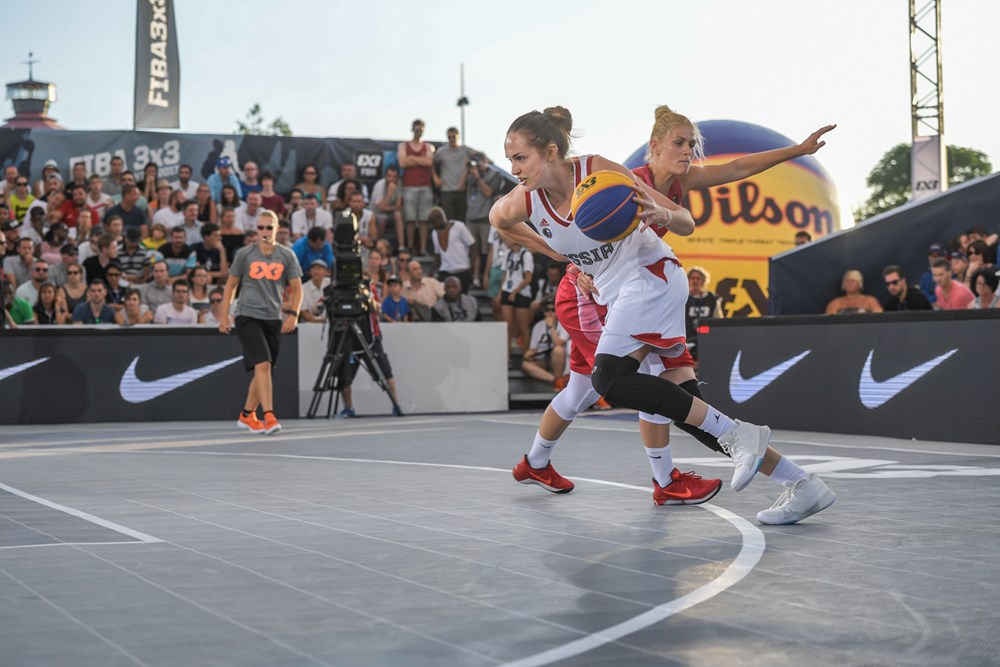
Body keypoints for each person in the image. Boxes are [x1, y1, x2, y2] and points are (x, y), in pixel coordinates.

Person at [491, 106, 835, 524]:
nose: (513, 168)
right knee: (688, 408)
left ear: (549, 153)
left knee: (608, 380)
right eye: (510, 159)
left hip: (651, 278)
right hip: (619, 295)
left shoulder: (601, 173)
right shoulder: (523, 202)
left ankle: (718, 449)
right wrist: (561, 255)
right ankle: (800, 483)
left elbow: (687, 220)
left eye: (520, 158)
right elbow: (498, 221)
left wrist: (664, 214)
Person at [219, 209, 303, 435]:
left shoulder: (287, 256)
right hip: (247, 315)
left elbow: (297, 288)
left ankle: (247, 415)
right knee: (263, 364)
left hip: (273, 318)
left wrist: (293, 314)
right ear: (256, 229)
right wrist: (224, 315)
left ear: (277, 229)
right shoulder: (245, 254)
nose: (264, 232)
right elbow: (231, 285)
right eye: (260, 227)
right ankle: (269, 416)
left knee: (264, 369)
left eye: (269, 227)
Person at [398, 119, 435, 255]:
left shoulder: (428, 147)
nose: (418, 132)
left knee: (424, 220)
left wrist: (412, 159)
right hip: (409, 186)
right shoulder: (403, 146)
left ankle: (423, 249)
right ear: (412, 129)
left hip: (425, 186)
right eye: (416, 129)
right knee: (410, 219)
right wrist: (421, 160)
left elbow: (429, 162)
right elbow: (402, 162)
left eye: (421, 130)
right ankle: (410, 247)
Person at [522, 298, 568, 387]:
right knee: (525, 365)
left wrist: (551, 327)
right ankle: (555, 381)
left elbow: (559, 343)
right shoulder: (538, 325)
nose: (550, 313)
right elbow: (533, 348)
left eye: (553, 310)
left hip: (557, 360)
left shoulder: (563, 324)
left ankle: (559, 377)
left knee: (558, 350)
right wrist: (528, 354)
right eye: (547, 310)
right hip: (542, 358)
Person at [500, 240, 533, 360]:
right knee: (507, 327)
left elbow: (528, 278)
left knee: (523, 327)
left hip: (521, 292)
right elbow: (505, 274)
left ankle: (526, 357)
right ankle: (506, 357)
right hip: (507, 290)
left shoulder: (526, 254)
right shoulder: (508, 253)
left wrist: (515, 292)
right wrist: (501, 292)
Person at [432, 126, 472, 222]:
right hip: (447, 191)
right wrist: (435, 177)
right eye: (449, 137)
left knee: (461, 221)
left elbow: (480, 156)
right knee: (449, 221)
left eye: (454, 137)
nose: (452, 139)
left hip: (461, 190)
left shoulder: (465, 150)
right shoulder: (442, 151)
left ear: (458, 137)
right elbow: (431, 162)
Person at [685, 266, 720, 362]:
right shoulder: (683, 297)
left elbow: (718, 319)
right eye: (692, 278)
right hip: (687, 340)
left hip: (707, 340)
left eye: (698, 278)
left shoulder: (711, 298)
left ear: (703, 281)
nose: (695, 281)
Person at [370, 165, 404, 244]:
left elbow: (398, 206)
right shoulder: (379, 185)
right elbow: (380, 208)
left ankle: (401, 247)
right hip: (376, 213)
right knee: (383, 219)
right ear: (385, 176)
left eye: (394, 176)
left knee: (398, 215)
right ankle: (379, 244)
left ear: (397, 177)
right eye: (389, 176)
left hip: (390, 212)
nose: (391, 179)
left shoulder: (399, 183)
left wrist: (389, 208)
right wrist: (390, 193)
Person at [299, 258, 332, 323]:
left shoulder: (330, 283)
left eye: (319, 269)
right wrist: (316, 321)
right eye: (313, 269)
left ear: (326, 272)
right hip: (309, 323)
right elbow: (303, 311)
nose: (316, 272)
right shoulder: (303, 288)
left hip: (330, 321)